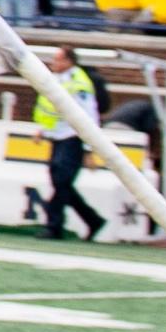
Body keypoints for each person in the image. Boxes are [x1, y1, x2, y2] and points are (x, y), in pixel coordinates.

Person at [33, 46, 107, 240]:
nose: (53, 63)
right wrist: (43, 129)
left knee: (61, 181)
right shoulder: (56, 79)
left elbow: (90, 115)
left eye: (57, 60)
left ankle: (53, 225)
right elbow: (51, 109)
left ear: (68, 62)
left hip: (73, 138)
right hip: (58, 136)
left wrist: (89, 148)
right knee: (60, 182)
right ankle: (92, 220)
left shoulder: (78, 83)